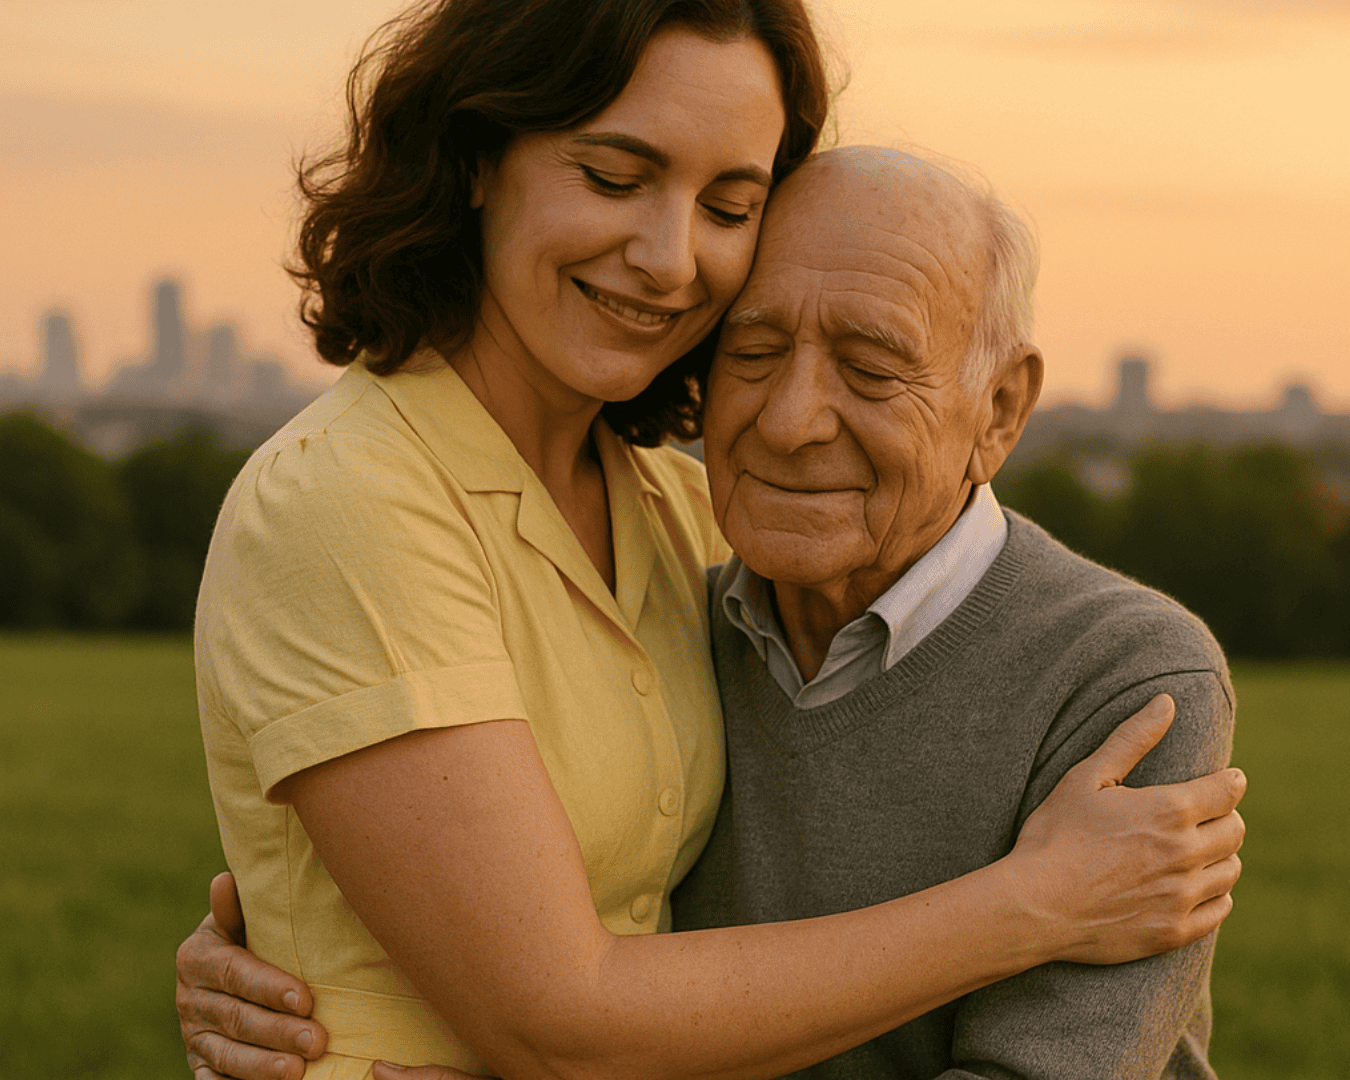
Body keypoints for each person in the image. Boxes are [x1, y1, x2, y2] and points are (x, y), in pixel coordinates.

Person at [177, 0, 1247, 1076]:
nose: (668, 257)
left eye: (730, 204)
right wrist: (1031, 905)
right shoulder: (357, 498)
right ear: (475, 159)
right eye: (613, 176)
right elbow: (556, 1011)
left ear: (1004, 409)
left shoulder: (691, 528)